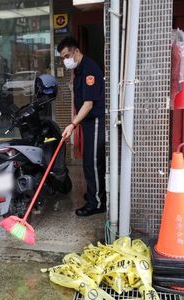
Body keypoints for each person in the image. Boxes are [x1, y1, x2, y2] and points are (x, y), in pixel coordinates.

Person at [57, 36, 106, 217]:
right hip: (86, 122)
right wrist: (74, 122)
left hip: (95, 121)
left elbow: (88, 104)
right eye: (62, 58)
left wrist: (72, 124)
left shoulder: (89, 69)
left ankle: (97, 203)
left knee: (92, 163)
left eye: (67, 55)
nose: (65, 60)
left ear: (76, 51)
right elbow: (76, 101)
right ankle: (95, 194)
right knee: (88, 162)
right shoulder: (78, 71)